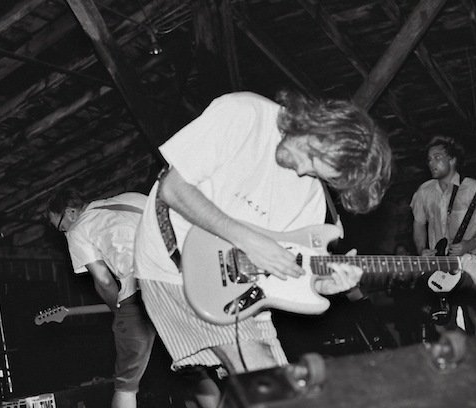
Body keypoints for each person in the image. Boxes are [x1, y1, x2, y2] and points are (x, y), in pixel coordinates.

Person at [133, 90, 392, 406]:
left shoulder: (310, 196)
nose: (303, 172)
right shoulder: (244, 114)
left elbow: (292, 269)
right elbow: (172, 189)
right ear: (318, 127)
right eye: (311, 159)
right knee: (264, 379)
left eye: (316, 173)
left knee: (274, 388)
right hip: (171, 261)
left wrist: (325, 284)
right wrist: (248, 240)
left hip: (243, 285)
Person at [47, 189, 156, 408]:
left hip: (138, 287)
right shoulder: (132, 197)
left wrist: (119, 311)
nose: (63, 232)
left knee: (126, 386)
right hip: (179, 278)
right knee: (194, 367)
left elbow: (104, 280)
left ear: (70, 212)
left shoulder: (78, 229)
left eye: (60, 226)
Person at [410, 135, 476, 337]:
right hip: (440, 266)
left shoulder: (473, 188)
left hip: (471, 263)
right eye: (429, 159)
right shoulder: (424, 192)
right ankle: (466, 352)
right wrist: (421, 250)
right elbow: (418, 225)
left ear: (452, 160)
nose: (431, 163)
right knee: (441, 323)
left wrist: (470, 244)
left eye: (437, 157)